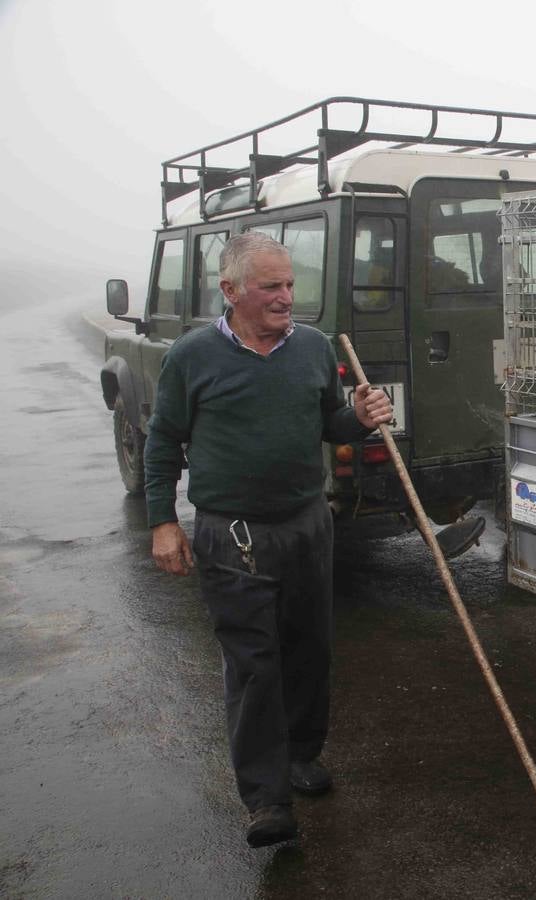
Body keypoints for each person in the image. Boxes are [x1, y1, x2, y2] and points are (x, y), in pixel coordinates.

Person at [143, 232, 392, 848]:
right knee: (254, 665)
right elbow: (162, 439)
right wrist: (162, 521)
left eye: (289, 285)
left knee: (310, 651)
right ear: (230, 291)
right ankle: (265, 798)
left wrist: (357, 420)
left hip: (308, 523)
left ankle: (302, 756)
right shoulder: (192, 356)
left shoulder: (309, 347)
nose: (287, 298)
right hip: (233, 535)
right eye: (271, 287)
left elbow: (327, 421)